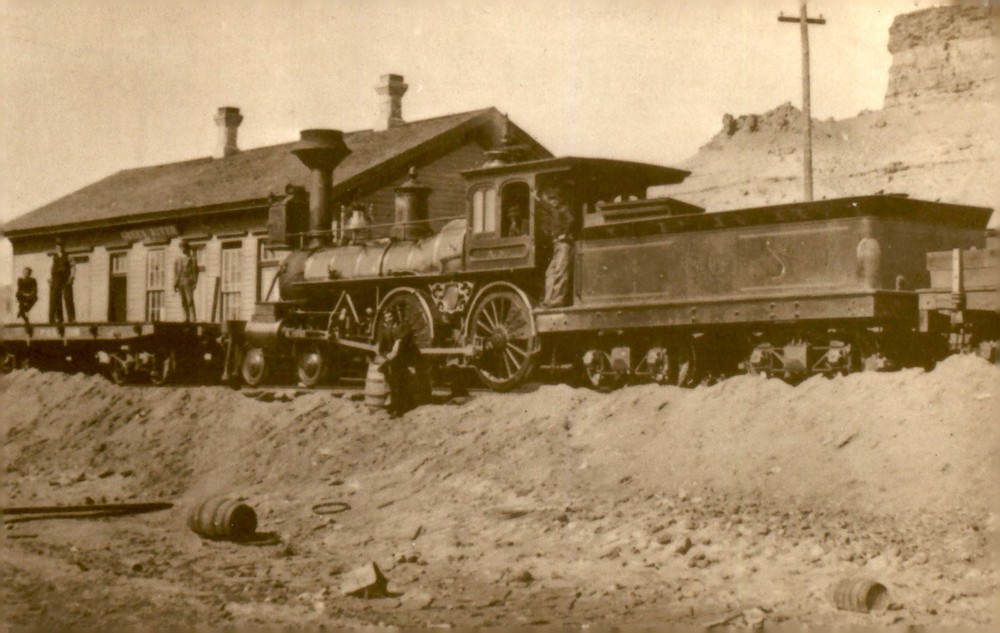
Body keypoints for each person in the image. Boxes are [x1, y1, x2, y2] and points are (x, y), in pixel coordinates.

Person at [377, 311, 422, 417]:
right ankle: (395, 407)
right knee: (393, 384)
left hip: (402, 360)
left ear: (394, 317)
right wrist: (386, 355)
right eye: (387, 317)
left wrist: (398, 342)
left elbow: (405, 337)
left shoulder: (402, 327)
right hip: (391, 361)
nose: (389, 319)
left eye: (390, 316)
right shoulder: (385, 331)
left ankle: (399, 409)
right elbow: (381, 348)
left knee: (400, 383)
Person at [538, 185, 576, 308]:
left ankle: (557, 300)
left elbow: (571, 221)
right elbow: (547, 207)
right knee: (550, 273)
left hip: (563, 244)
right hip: (557, 245)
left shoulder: (564, 209)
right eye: (551, 199)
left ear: (559, 199)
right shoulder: (555, 211)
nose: (553, 201)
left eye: (555, 199)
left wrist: (564, 234)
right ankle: (548, 299)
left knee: (560, 271)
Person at [49, 239, 75, 324]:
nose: (59, 248)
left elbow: (73, 267)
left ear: (63, 247)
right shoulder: (54, 257)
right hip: (56, 280)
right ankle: (58, 319)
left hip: (65, 279)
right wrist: (50, 279)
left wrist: (71, 277)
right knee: (55, 300)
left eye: (60, 246)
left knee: (68, 298)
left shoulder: (68, 256)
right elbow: (52, 269)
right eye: (57, 246)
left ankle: (71, 319)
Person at [174, 241, 199, 322]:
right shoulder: (178, 259)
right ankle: (186, 317)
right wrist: (175, 283)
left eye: (184, 247)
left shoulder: (192, 259)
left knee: (190, 300)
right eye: (181, 247)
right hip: (180, 280)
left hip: (188, 280)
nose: (183, 249)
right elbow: (175, 272)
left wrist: (195, 282)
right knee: (183, 300)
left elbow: (195, 271)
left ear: (187, 248)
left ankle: (193, 318)